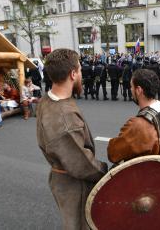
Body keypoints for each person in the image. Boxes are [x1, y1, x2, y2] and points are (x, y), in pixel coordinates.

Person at [36, 49, 108, 230]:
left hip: (62, 178)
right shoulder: (64, 116)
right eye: (80, 70)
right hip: (75, 185)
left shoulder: (47, 99)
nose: (82, 75)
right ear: (73, 74)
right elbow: (81, 165)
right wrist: (105, 171)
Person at [107, 69, 160, 163]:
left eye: (131, 87)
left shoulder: (138, 125)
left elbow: (113, 153)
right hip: (158, 167)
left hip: (142, 173)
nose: (130, 90)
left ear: (138, 90)